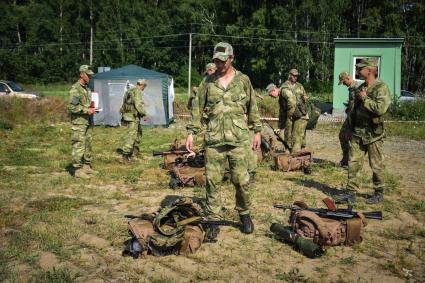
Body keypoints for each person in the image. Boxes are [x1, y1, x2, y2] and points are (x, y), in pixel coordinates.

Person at [186, 42, 262, 237]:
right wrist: (191, 132)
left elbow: (253, 106)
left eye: (222, 61)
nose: (219, 65)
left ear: (231, 58)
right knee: (212, 181)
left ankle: (244, 214)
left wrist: (257, 132)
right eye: (216, 61)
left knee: (241, 180)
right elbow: (196, 108)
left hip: (239, 139)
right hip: (214, 139)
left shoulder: (243, 80)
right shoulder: (207, 83)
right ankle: (212, 219)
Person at [336, 58, 391, 204]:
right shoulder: (361, 87)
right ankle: (350, 192)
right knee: (353, 162)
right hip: (357, 133)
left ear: (370, 70)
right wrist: (349, 128)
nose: (358, 72)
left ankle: (378, 192)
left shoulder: (381, 88)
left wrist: (365, 99)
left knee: (376, 165)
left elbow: (381, 109)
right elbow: (353, 110)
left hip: (373, 134)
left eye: (360, 69)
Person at [68, 65, 95, 179]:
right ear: (81, 74)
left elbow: (87, 105)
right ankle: (78, 170)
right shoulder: (75, 89)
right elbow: (71, 107)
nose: (90, 77)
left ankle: (86, 166)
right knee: (79, 144)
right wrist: (86, 110)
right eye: (88, 75)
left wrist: (93, 109)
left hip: (88, 121)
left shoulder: (87, 89)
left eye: (90, 75)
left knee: (88, 143)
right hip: (79, 122)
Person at [118, 79, 147, 162]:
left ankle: (135, 152)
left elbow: (124, 103)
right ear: (142, 85)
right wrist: (144, 114)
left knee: (138, 133)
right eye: (144, 86)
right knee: (132, 136)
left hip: (127, 115)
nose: (144, 88)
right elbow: (138, 105)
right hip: (133, 117)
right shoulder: (137, 92)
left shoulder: (129, 91)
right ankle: (125, 156)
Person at [280, 69, 309, 153]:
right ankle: (287, 148)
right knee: (288, 130)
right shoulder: (285, 86)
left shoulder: (300, 86)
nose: (295, 77)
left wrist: (305, 97)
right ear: (290, 75)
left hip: (299, 112)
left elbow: (304, 95)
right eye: (293, 75)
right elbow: (283, 100)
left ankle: (300, 147)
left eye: (296, 76)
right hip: (289, 112)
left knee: (298, 131)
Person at [338, 71, 360, 168]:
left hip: (355, 119)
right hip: (350, 117)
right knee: (343, 135)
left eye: (343, 82)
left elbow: (359, 104)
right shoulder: (352, 88)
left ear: (347, 78)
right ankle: (346, 159)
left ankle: (351, 162)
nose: (343, 84)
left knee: (353, 140)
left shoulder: (356, 88)